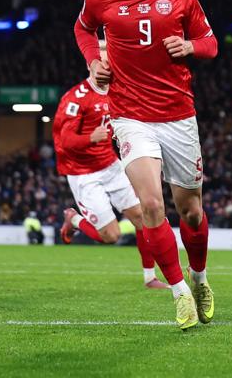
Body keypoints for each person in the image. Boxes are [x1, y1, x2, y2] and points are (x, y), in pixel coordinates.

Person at [73, 0, 218, 329]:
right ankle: (179, 292)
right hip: (130, 115)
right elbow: (83, 29)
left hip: (178, 114)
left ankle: (200, 279)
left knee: (191, 211)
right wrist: (94, 61)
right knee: (152, 205)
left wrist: (189, 46)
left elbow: (210, 44)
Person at [54, 40, 168, 290]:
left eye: (110, 62)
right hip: (83, 173)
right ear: (90, 65)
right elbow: (64, 141)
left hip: (110, 165)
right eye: (102, 62)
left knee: (143, 218)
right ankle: (74, 220)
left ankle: (150, 277)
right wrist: (90, 138)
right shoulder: (76, 98)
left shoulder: (119, 91)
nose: (107, 67)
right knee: (111, 236)